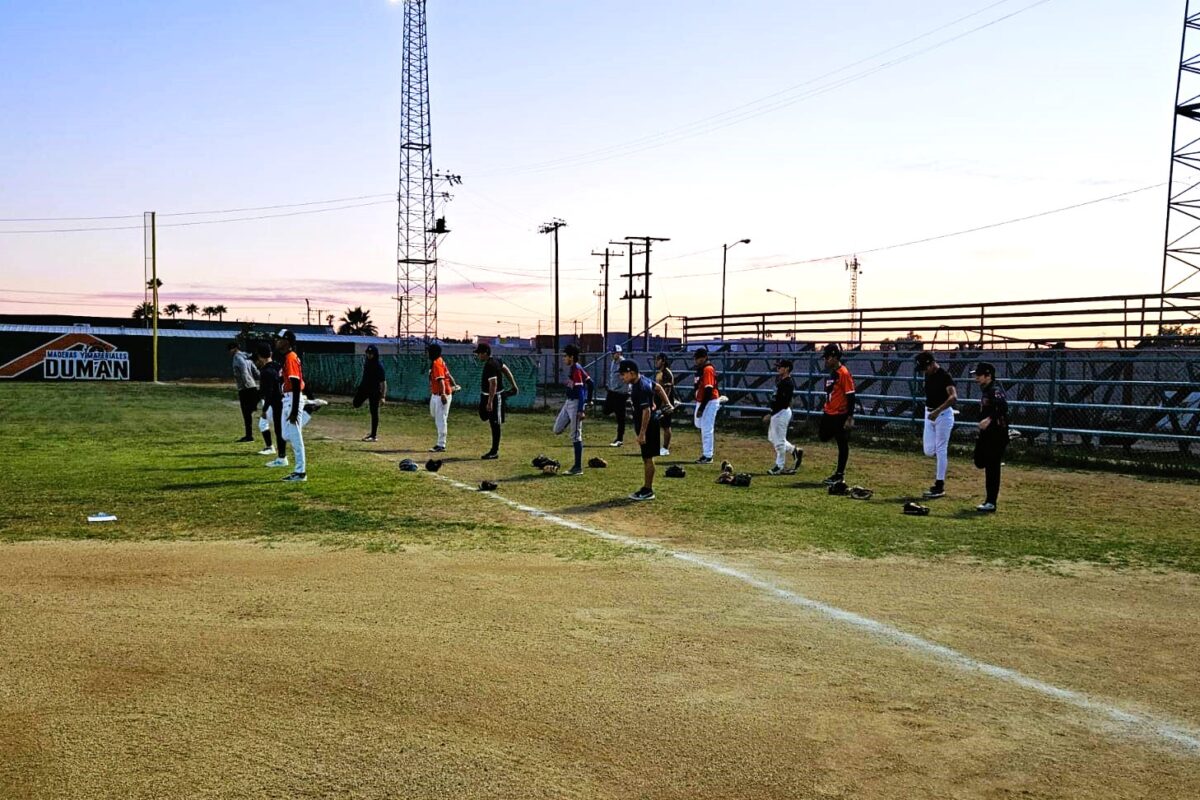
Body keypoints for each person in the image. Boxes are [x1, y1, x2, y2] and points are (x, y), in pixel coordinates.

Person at [619, 359, 673, 501]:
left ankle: (648, 490)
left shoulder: (641, 387)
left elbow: (647, 411)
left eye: (623, 374)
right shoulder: (643, 381)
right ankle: (647, 488)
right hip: (648, 423)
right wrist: (667, 403)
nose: (622, 377)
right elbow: (658, 388)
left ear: (631, 373)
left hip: (648, 425)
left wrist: (642, 433)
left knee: (648, 458)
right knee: (646, 458)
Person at [916, 351, 957, 498]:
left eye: (925, 368)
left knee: (941, 449)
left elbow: (953, 397)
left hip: (943, 415)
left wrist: (938, 411)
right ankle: (940, 479)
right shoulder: (928, 375)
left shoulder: (944, 376)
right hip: (929, 414)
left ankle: (939, 485)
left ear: (932, 364)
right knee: (928, 450)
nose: (923, 371)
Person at [972, 361, 1008, 512]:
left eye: (979, 375)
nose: (976, 378)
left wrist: (989, 419)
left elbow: (1003, 406)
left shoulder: (994, 390)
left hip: (996, 433)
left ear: (988, 376)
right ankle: (990, 500)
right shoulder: (986, 390)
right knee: (979, 460)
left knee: (992, 468)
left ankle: (991, 501)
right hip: (987, 434)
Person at [553, 344, 595, 475]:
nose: (563, 358)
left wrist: (582, 409)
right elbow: (591, 383)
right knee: (556, 429)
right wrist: (590, 399)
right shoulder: (576, 368)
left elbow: (581, 391)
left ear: (572, 357)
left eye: (565, 356)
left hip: (576, 404)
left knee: (576, 436)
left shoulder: (576, 369)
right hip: (568, 403)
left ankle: (577, 467)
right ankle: (571, 422)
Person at [818, 343, 856, 485]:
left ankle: (839, 474)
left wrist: (849, 417)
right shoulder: (832, 373)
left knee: (842, 443)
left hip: (840, 414)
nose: (825, 360)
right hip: (829, 412)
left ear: (834, 356)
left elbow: (851, 396)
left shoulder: (843, 373)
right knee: (823, 436)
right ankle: (838, 432)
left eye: (827, 357)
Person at [475, 342, 519, 460]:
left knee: (495, 423)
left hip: (494, 397)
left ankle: (494, 451)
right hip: (485, 396)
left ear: (485, 353)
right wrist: (513, 385)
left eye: (479, 353)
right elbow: (506, 370)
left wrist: (490, 402)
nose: (478, 356)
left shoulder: (491, 365)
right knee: (483, 415)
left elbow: (493, 384)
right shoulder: (496, 361)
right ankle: (506, 394)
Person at [275, 329, 308, 482]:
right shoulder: (287, 357)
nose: (277, 341)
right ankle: (308, 411)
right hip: (288, 399)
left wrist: (294, 410)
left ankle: (300, 472)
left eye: (279, 339)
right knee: (285, 435)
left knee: (295, 437)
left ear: (287, 341)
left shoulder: (290, 358)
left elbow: (295, 384)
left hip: (293, 398)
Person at [763, 358, 803, 475]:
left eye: (780, 367)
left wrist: (771, 414)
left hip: (781, 412)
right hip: (778, 412)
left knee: (779, 441)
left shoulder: (787, 383)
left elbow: (784, 402)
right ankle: (794, 450)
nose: (778, 368)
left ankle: (779, 466)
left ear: (787, 369)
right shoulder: (782, 381)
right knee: (773, 438)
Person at [253, 343, 288, 467]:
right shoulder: (279, 366)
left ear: (259, 357)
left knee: (279, 430)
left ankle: (282, 457)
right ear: (271, 354)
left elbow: (268, 392)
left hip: (275, 403)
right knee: (281, 429)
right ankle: (281, 455)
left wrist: (265, 408)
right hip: (284, 400)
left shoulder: (265, 371)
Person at [427, 342, 458, 453]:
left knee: (441, 419)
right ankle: (441, 442)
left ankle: (441, 444)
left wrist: (444, 393)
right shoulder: (438, 361)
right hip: (435, 394)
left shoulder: (437, 363)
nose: (427, 353)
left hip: (441, 394)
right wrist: (454, 385)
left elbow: (441, 380)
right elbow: (448, 375)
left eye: (429, 351)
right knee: (434, 414)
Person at [692, 347, 721, 464]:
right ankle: (706, 454)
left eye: (698, 358)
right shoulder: (700, 369)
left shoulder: (708, 369)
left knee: (707, 429)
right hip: (703, 400)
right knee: (699, 424)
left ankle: (708, 455)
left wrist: (702, 408)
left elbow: (709, 390)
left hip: (709, 401)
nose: (696, 360)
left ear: (704, 358)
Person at [354, 344, 387, 442]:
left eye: (371, 354)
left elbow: (383, 382)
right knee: (355, 403)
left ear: (375, 354)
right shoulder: (367, 363)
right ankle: (372, 434)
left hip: (374, 391)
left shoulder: (379, 366)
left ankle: (373, 435)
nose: (369, 355)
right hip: (364, 388)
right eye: (368, 353)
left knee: (374, 412)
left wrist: (383, 396)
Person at [228, 342, 260, 443]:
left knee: (246, 413)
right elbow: (256, 373)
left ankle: (249, 436)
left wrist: (246, 385)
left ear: (234, 348)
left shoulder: (237, 357)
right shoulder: (248, 357)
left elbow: (243, 371)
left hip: (245, 388)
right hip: (253, 386)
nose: (229, 352)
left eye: (230, 349)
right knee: (250, 412)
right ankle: (249, 435)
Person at [604, 345, 630, 447]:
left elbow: (628, 377)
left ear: (619, 353)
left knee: (620, 417)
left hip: (620, 392)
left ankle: (620, 439)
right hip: (612, 390)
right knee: (606, 410)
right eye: (612, 353)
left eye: (615, 353)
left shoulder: (623, 363)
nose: (613, 355)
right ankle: (616, 408)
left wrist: (625, 388)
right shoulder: (613, 362)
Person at [654, 353, 676, 456]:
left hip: (665, 403)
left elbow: (667, 390)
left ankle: (665, 448)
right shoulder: (659, 373)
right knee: (658, 425)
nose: (656, 362)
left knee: (666, 425)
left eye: (658, 360)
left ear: (663, 361)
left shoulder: (667, 373)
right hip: (658, 402)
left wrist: (664, 404)